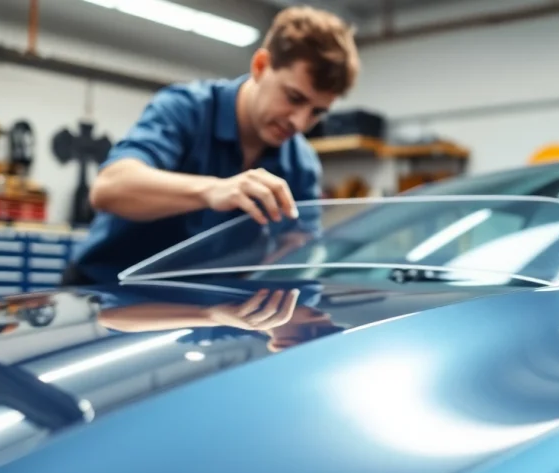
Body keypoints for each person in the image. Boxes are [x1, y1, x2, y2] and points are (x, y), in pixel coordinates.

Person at [61, 6, 360, 286]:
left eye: (317, 112)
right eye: (294, 98)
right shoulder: (185, 110)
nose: (299, 122)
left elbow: (297, 250)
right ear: (261, 65)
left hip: (204, 310)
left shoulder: (301, 164)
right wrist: (214, 190)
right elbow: (109, 189)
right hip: (107, 293)